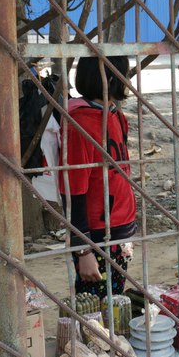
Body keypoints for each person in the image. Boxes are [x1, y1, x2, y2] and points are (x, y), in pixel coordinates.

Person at [60, 55, 137, 298]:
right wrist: (83, 250)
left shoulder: (115, 114)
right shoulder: (80, 123)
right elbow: (72, 190)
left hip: (119, 226)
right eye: (124, 75)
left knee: (115, 303)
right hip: (98, 233)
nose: (127, 81)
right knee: (97, 308)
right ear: (111, 79)